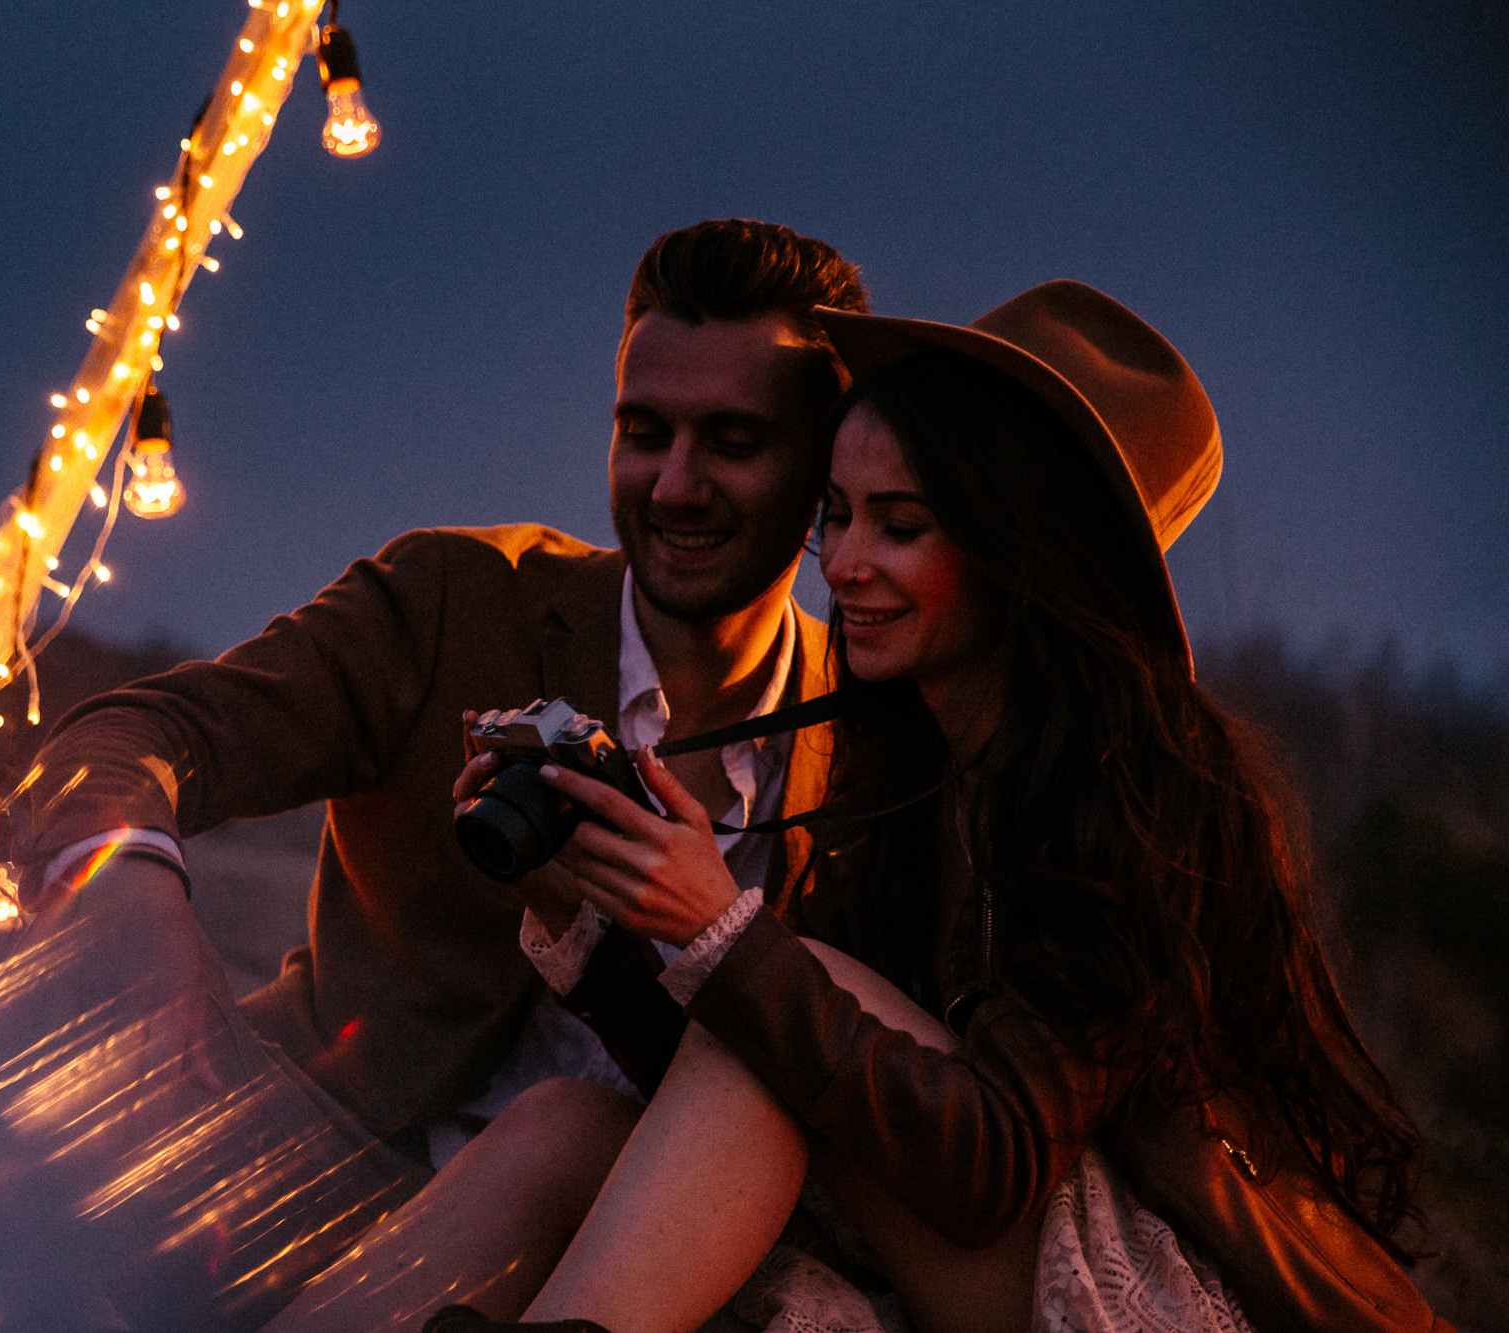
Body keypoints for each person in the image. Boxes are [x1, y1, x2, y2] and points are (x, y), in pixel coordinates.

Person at [276, 281, 1442, 1333]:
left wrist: (720, 935)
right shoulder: (905, 756)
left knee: (800, 980)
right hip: (933, 1240)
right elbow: (770, 1088)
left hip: (1098, 1289)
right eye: (836, 513)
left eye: (901, 524)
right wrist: (583, 912)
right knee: (563, 1125)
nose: (842, 564)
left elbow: (986, 1168)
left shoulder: (1126, 793)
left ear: (1019, 552)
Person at [0, 219, 868, 1327]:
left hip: (637, 1280)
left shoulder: (870, 740)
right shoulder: (456, 598)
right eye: (643, 432)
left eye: (733, 441)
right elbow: (134, 735)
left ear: (821, 463)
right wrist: (133, 891)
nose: (675, 484)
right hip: (314, 1179)